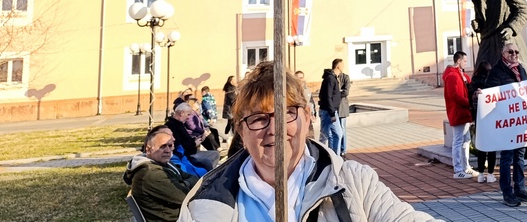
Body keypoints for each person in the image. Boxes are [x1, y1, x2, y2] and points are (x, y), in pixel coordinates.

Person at [178, 60, 440, 221]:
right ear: (241, 131)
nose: (274, 130)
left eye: (287, 113)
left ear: (307, 117)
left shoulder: (352, 183)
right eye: (258, 118)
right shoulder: (205, 203)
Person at [484, 41, 527, 208]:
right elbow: (490, 93)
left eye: (516, 52)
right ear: (503, 54)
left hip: (520, 120)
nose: (514, 54)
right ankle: (507, 192)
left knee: (520, 156)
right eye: (510, 52)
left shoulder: (520, 69)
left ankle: (520, 188)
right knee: (506, 158)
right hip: (507, 121)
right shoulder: (497, 71)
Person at [466, 0, 527, 77]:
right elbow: (482, 19)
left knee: (515, 74)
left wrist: (512, 27)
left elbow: (524, 8)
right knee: (481, 75)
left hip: (504, 38)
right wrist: (478, 24)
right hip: (487, 42)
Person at [125, 125, 199, 222]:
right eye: (162, 146)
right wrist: (185, 184)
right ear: (148, 149)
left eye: (170, 145)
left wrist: (183, 184)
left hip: (182, 214)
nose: (168, 150)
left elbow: (194, 178)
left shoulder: (163, 162)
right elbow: (186, 197)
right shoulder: (150, 173)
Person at [442, 51, 475, 179]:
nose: (466, 63)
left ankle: (466, 167)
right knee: (458, 141)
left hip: (464, 111)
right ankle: (458, 169)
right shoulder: (453, 76)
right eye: (465, 61)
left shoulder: (461, 75)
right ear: (459, 61)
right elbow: (454, 95)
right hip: (458, 112)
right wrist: (469, 103)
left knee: (466, 140)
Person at [166, 103, 220, 170]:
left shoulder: (178, 124)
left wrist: (197, 141)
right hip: (186, 155)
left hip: (189, 152)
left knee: (215, 154)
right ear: (181, 113)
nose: (188, 117)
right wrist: (195, 143)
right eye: (188, 114)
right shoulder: (173, 126)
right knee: (210, 160)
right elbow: (181, 145)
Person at [467, 60, 496, 183]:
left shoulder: (473, 84)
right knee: (492, 147)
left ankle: (480, 174)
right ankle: (490, 174)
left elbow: (470, 101)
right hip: (491, 118)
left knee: (481, 147)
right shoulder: (490, 84)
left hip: (479, 119)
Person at [317, 58, 344, 154]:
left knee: (333, 135)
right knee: (326, 136)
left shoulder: (332, 78)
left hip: (330, 111)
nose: (344, 66)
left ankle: (333, 156)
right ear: (338, 66)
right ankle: (321, 155)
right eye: (342, 64)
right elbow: (327, 96)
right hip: (328, 112)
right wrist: (332, 113)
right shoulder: (330, 79)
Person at [337, 64, 351, 158]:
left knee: (342, 129)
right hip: (333, 107)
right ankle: (336, 150)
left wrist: (335, 93)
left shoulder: (345, 77)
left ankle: (343, 150)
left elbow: (346, 91)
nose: (344, 66)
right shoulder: (332, 77)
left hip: (342, 106)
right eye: (342, 65)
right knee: (335, 131)